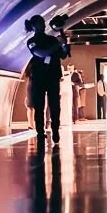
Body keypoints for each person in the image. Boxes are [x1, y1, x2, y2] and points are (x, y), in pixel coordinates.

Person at [25, 14, 70, 152]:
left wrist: (64, 44)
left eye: (43, 23)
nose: (43, 25)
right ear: (34, 26)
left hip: (52, 76)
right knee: (39, 106)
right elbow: (41, 53)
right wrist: (58, 44)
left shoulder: (52, 39)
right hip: (39, 77)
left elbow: (63, 55)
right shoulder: (32, 41)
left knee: (54, 105)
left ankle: (55, 129)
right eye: (40, 23)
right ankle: (40, 132)